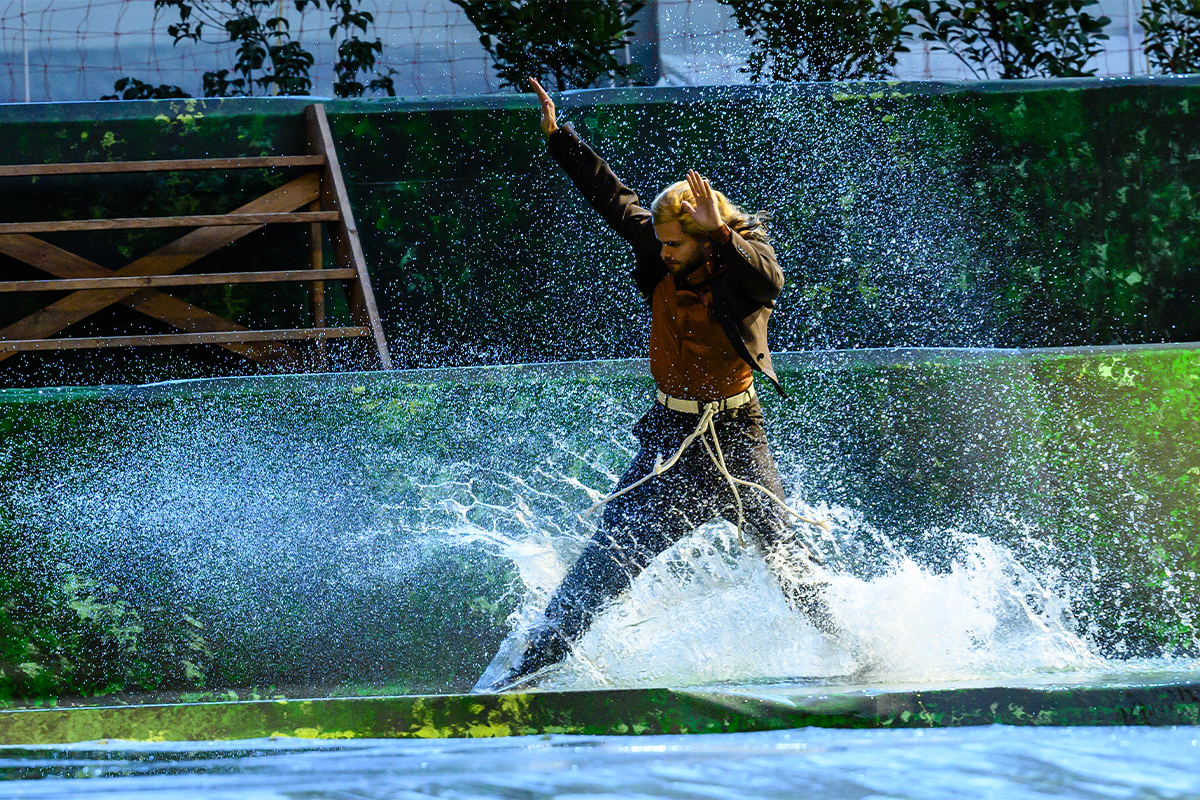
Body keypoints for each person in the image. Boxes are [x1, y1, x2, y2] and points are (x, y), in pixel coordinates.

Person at [476, 78, 837, 693]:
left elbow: (769, 279)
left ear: (705, 237)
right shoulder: (660, 247)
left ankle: (860, 655)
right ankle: (517, 682)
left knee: (788, 559)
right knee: (602, 565)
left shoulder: (743, 268)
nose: (664, 252)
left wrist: (721, 234)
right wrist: (559, 137)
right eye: (663, 243)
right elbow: (613, 198)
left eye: (677, 244)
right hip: (670, 437)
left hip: (737, 434)